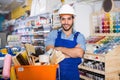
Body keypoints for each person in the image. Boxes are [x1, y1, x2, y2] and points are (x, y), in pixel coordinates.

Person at [45, 4, 86, 80]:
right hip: (55, 76)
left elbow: (79, 53)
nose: (66, 22)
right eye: (63, 19)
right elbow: (50, 52)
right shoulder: (53, 34)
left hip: (73, 77)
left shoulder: (80, 36)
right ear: (60, 20)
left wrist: (59, 48)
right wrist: (72, 53)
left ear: (73, 19)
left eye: (69, 19)